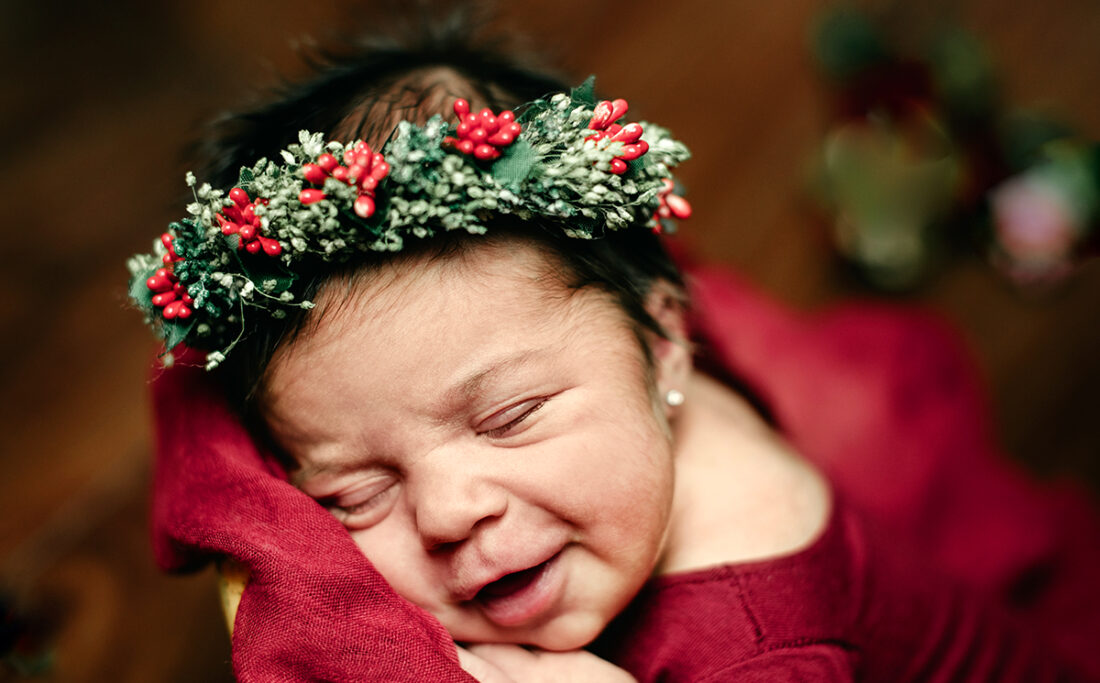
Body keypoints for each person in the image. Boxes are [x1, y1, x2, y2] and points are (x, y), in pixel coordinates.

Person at [130, 17, 1100, 682]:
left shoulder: (759, 645)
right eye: (354, 493)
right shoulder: (597, 345)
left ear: (666, 340)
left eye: (508, 416)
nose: (445, 509)